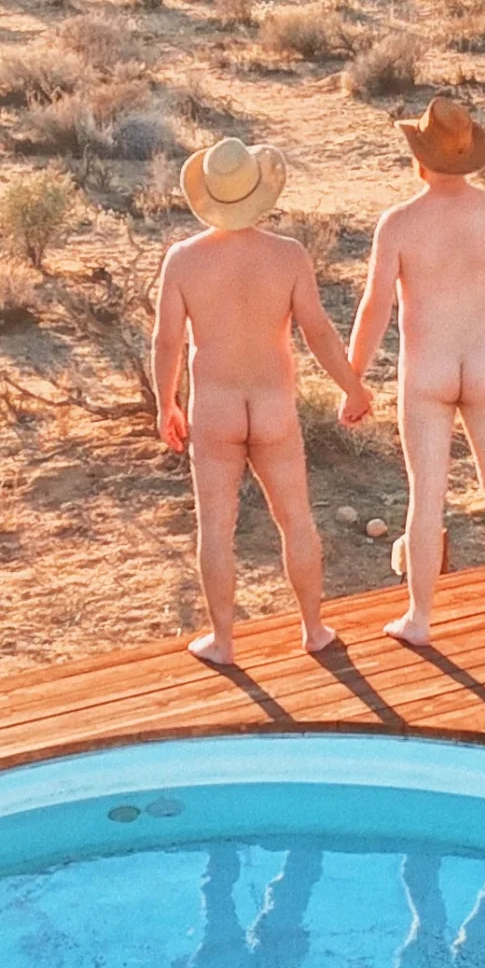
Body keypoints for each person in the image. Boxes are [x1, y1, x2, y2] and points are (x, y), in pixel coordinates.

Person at [152, 136, 371, 663]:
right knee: (296, 519)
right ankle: (314, 629)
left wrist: (166, 404)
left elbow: (166, 340)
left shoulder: (182, 261)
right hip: (272, 405)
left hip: (216, 408)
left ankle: (224, 642)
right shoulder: (288, 256)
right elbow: (318, 332)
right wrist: (353, 387)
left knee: (216, 529)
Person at [348, 96, 485, 647]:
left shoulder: (399, 223)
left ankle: (419, 619)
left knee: (426, 494)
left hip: (428, 369)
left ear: (420, 158)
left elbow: (374, 308)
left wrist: (353, 379)